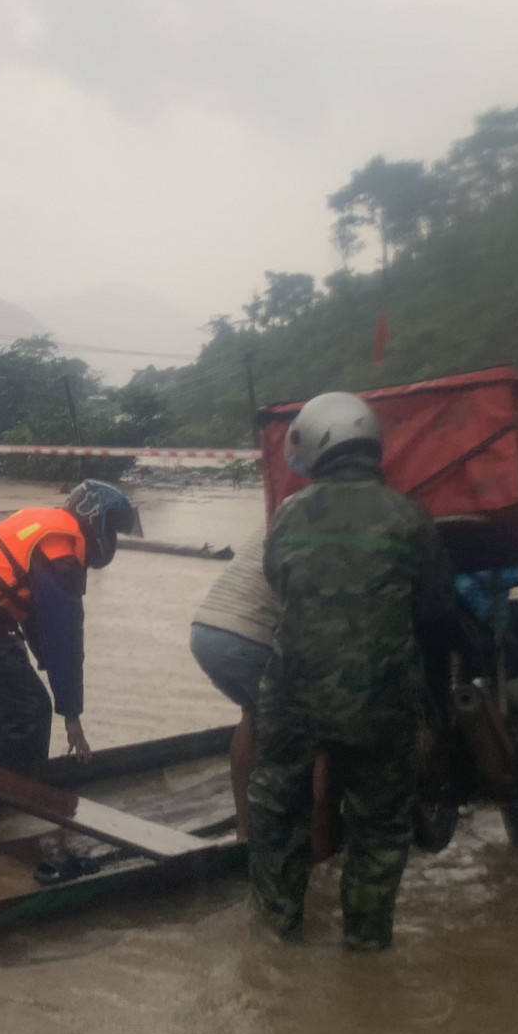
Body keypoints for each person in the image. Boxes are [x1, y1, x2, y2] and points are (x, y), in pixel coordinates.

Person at [248, 392, 459, 952]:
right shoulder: (409, 517)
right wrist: (436, 704)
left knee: (277, 808)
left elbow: (279, 583)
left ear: (317, 444)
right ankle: (366, 948)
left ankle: (277, 931)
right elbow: (438, 615)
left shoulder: (290, 513)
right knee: (380, 824)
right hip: (381, 701)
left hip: (294, 697)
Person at [0, 479, 141, 774]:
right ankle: (18, 798)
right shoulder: (61, 555)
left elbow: (35, 622)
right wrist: (72, 716)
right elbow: (64, 641)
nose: (111, 539)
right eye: (111, 530)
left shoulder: (42, 526)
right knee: (31, 708)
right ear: (95, 519)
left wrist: (47, 664)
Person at [190, 538, 337, 858]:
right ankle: (321, 852)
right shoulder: (335, 528)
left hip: (206, 630)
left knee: (252, 715)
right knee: (321, 736)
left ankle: (245, 833)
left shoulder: (279, 516)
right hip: (251, 638)